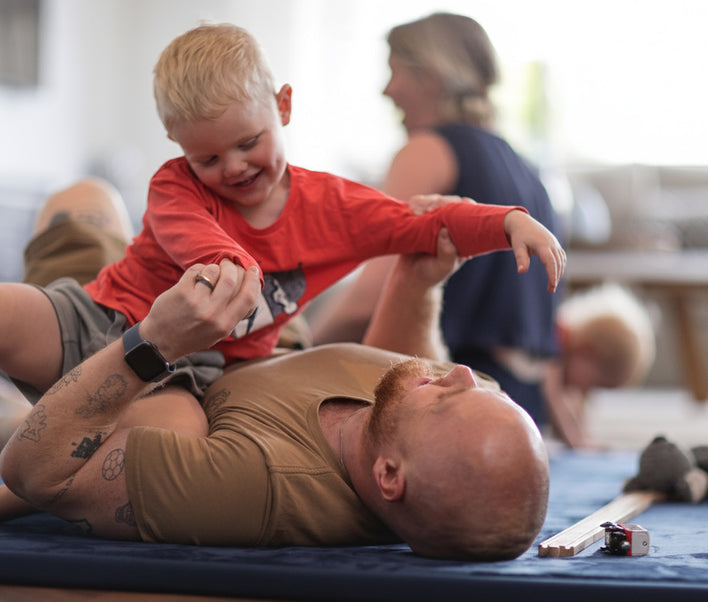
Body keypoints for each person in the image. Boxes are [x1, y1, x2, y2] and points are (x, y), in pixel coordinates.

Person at [0, 21, 565, 463]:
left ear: (284, 107)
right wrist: (238, 267)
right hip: (100, 318)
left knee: (178, 441)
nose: (235, 167)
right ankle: (28, 429)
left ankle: (23, 467)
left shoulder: (333, 206)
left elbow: (420, 224)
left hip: (187, 367)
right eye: (209, 158)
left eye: (249, 142)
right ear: (178, 144)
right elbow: (199, 241)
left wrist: (508, 222)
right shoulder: (173, 186)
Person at [0, 182, 550, 561]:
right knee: (94, 197)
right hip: (243, 321)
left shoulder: (254, 487)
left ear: (389, 477)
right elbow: (405, 372)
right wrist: (418, 281)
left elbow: (33, 470)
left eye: (450, 398)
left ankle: (17, 410)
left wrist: (154, 340)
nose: (461, 374)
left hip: (153, 349)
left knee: (79, 204)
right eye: (480, 389)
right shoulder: (422, 423)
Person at [308, 12, 563, 427]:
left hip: (449, 397)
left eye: (394, 71)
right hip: (519, 408)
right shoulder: (527, 169)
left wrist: (297, 352)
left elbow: (369, 297)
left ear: (431, 75)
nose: (386, 89)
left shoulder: (428, 149)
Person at [543, 283, 656, 448]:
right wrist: (575, 441)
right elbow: (552, 395)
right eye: (593, 384)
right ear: (587, 351)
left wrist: (582, 434)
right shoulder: (555, 336)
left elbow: (575, 403)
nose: (585, 392)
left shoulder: (572, 357)